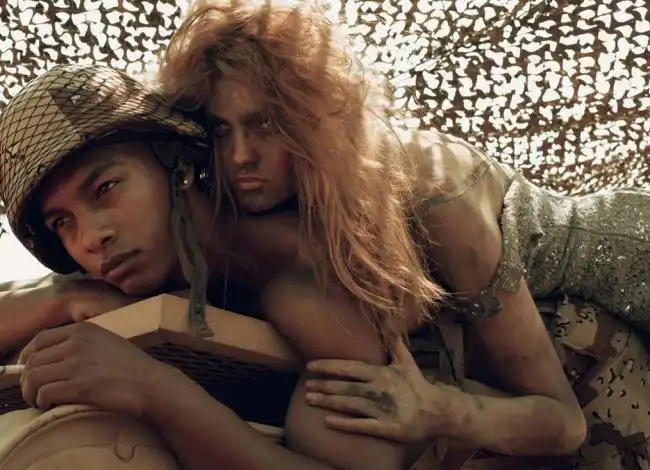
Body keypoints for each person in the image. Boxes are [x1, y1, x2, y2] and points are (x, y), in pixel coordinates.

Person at [155, 0, 650, 468]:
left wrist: (437, 410)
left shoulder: (437, 200)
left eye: (263, 124)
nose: (240, 155)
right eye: (222, 130)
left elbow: (563, 422)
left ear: (312, 120)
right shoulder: (291, 211)